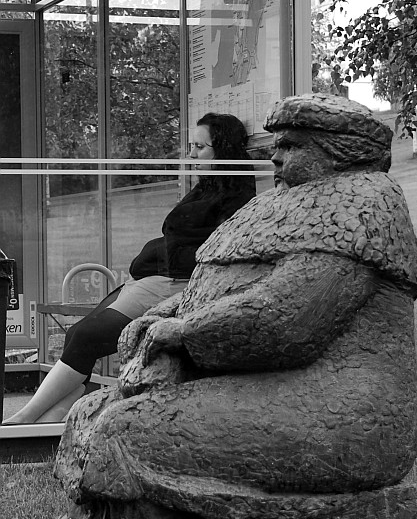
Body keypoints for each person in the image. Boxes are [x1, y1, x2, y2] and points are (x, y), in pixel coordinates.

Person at [54, 94, 417, 519]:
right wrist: (164, 314)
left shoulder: (364, 204)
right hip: (277, 387)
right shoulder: (282, 202)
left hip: (344, 413)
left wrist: (183, 333)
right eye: (276, 144)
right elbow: (220, 288)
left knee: (127, 434)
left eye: (291, 145)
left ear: (339, 152)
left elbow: (286, 320)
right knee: (90, 412)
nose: (275, 156)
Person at [4, 113, 256, 424]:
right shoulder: (209, 186)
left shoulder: (237, 195)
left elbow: (216, 250)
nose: (191, 155)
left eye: (200, 147)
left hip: (171, 285)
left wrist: (164, 260)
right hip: (151, 279)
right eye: (191, 146)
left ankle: (25, 419)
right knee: (76, 336)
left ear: (224, 151)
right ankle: (53, 418)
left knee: (85, 337)